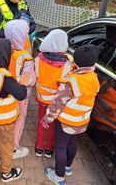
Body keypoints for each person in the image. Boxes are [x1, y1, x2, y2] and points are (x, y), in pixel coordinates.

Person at [41, 44, 100, 185]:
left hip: (66, 121)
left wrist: (47, 118)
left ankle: (59, 177)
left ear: (76, 62)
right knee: (72, 143)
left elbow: (57, 103)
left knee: (61, 146)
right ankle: (67, 167)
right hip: (81, 120)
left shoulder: (72, 81)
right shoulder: (94, 78)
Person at [0, 38, 31, 183]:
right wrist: (23, 83)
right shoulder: (6, 76)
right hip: (6, 118)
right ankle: (6, 173)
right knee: (6, 145)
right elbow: (21, 95)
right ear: (5, 56)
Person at [34, 29, 74, 159]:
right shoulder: (68, 64)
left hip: (41, 97)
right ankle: (49, 149)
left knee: (41, 120)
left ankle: (39, 147)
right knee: (52, 123)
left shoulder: (38, 59)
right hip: (56, 101)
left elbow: (37, 76)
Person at [4, 19, 36, 159]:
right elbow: (30, 80)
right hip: (20, 95)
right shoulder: (26, 57)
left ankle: (3, 144)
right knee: (19, 120)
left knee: (7, 120)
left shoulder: (3, 50)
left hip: (4, 93)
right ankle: (14, 149)